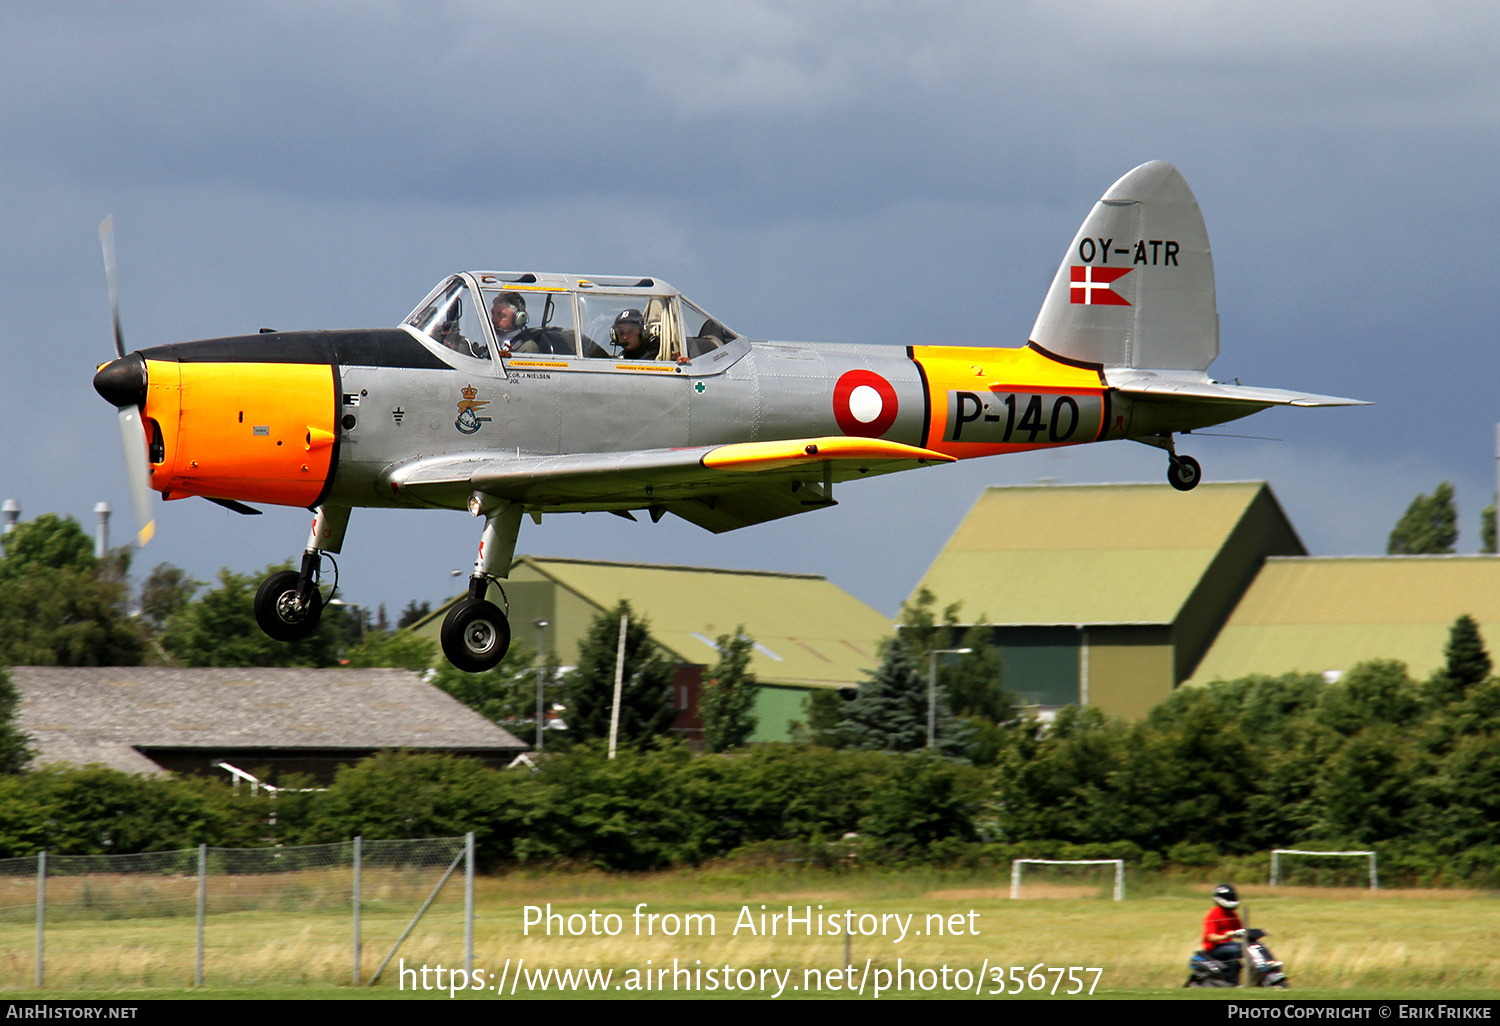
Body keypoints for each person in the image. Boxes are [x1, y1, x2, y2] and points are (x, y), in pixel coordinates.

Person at [1201, 884, 1245, 982]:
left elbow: (1240, 931)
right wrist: (1225, 936)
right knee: (1236, 950)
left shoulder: (1232, 915)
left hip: (1228, 945)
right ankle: (1233, 982)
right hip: (1214, 948)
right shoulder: (1214, 914)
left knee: (1252, 947)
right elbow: (1211, 937)